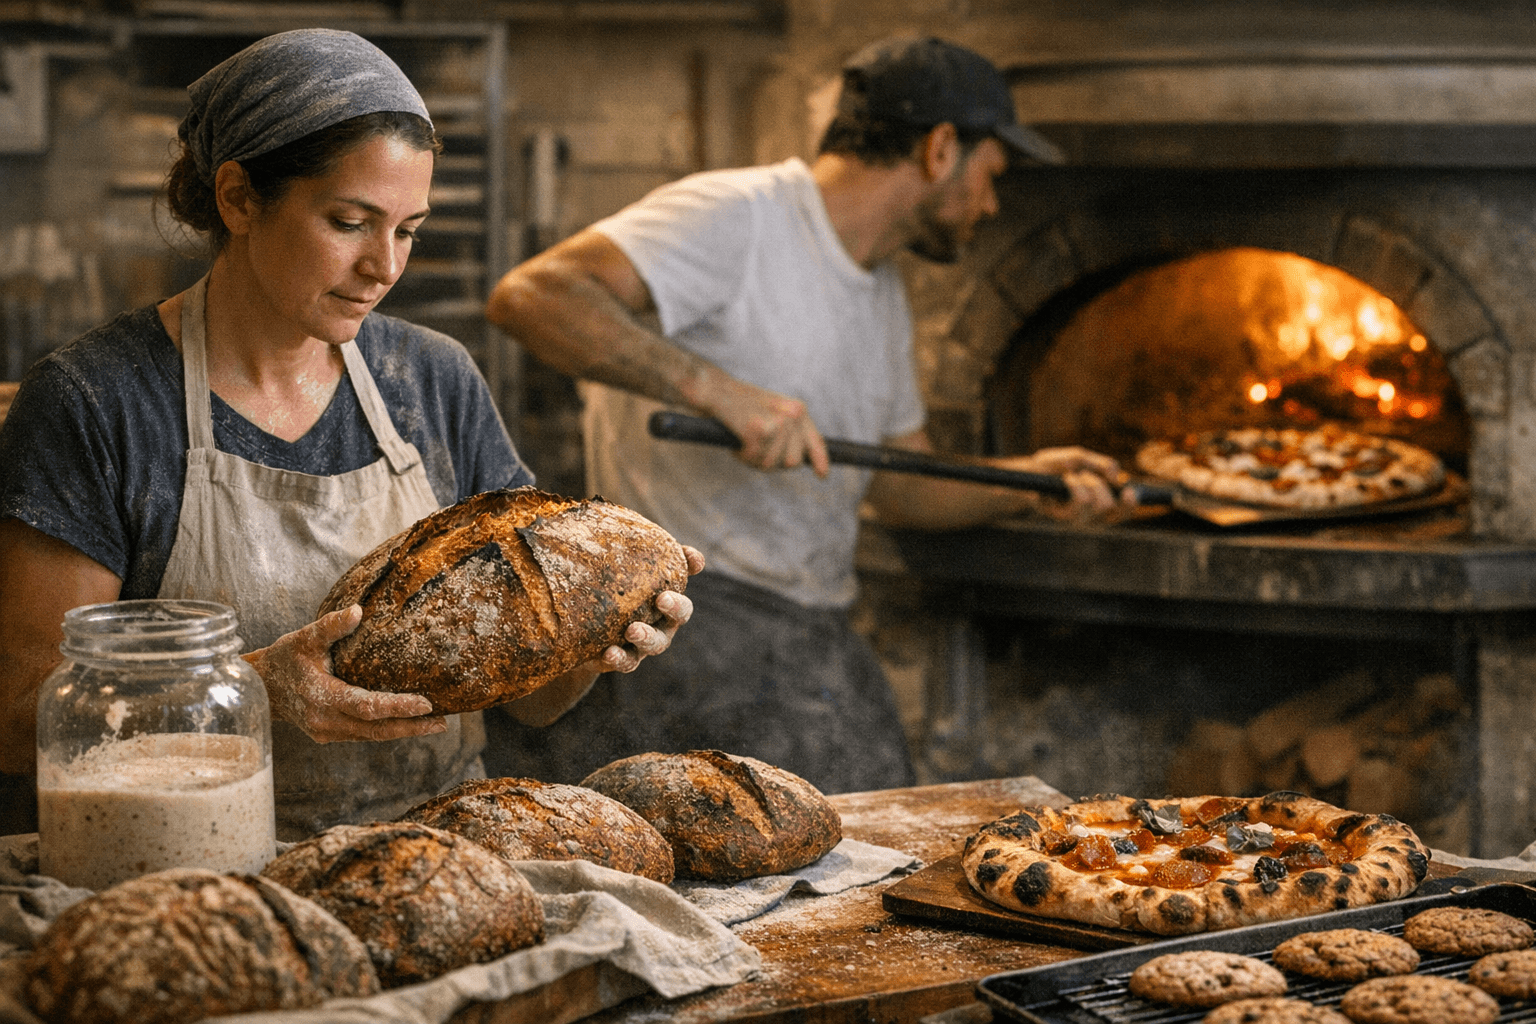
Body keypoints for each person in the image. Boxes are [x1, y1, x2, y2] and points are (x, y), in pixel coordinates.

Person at [0, 28, 700, 841]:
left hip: (438, 858)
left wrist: (591, 643)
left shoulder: (433, 379)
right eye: (349, 221)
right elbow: (21, 718)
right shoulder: (97, 400)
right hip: (198, 865)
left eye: (408, 229)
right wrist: (259, 688)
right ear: (237, 198)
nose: (385, 266)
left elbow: (530, 702)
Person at [481, 34, 1127, 795]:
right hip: (687, 615)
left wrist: (1031, 482)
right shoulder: (740, 214)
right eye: (993, 174)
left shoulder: (880, 291)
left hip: (808, 624)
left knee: (881, 822)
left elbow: (899, 485)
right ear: (941, 147)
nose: (992, 203)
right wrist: (719, 391)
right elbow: (530, 296)